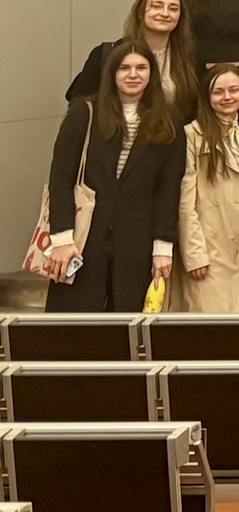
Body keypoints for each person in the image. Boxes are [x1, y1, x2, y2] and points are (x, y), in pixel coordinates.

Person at [42, 42, 185, 313]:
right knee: (72, 324)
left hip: (136, 240)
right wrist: (61, 238)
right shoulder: (84, 114)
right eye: (124, 68)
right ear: (112, 73)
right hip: (82, 238)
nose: (133, 74)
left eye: (141, 68)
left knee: (126, 324)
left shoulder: (169, 123)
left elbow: (168, 189)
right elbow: (61, 179)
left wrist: (163, 246)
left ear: (151, 74)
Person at [69, 0, 201, 126]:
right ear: (140, 12)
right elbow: (79, 104)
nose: (165, 13)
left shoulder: (190, 58)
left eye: (173, 9)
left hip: (172, 137)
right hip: (116, 136)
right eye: (157, 6)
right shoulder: (109, 54)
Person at [177, 65, 239, 312]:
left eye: (234, 90)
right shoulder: (192, 134)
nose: (227, 97)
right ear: (206, 97)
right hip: (210, 248)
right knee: (212, 321)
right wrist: (195, 255)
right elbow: (185, 201)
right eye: (218, 92)